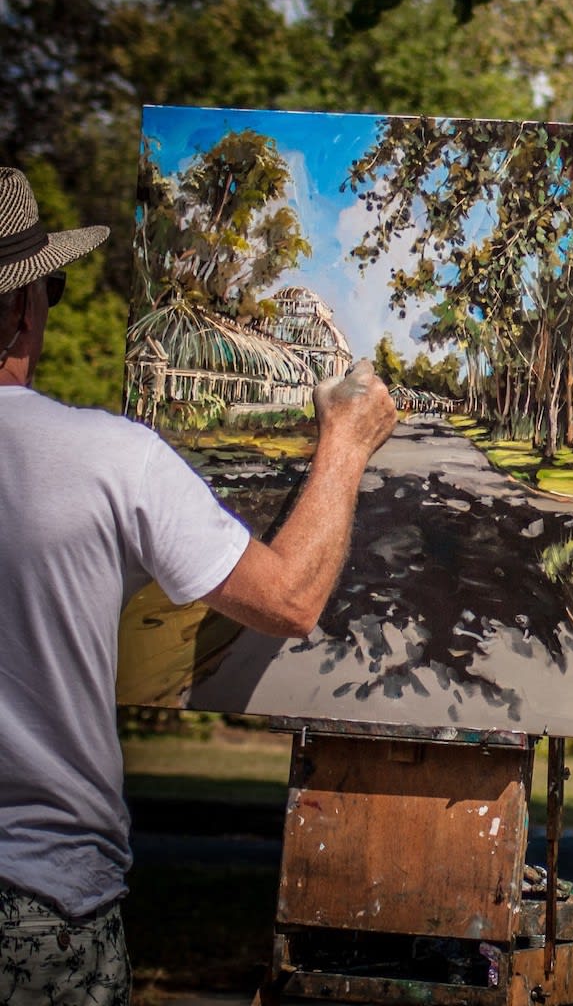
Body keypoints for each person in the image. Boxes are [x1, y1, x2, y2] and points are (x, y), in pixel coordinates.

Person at [0, 167, 397, 1005]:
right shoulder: (108, 459)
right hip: (40, 899)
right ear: (24, 308)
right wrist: (347, 444)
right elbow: (288, 599)